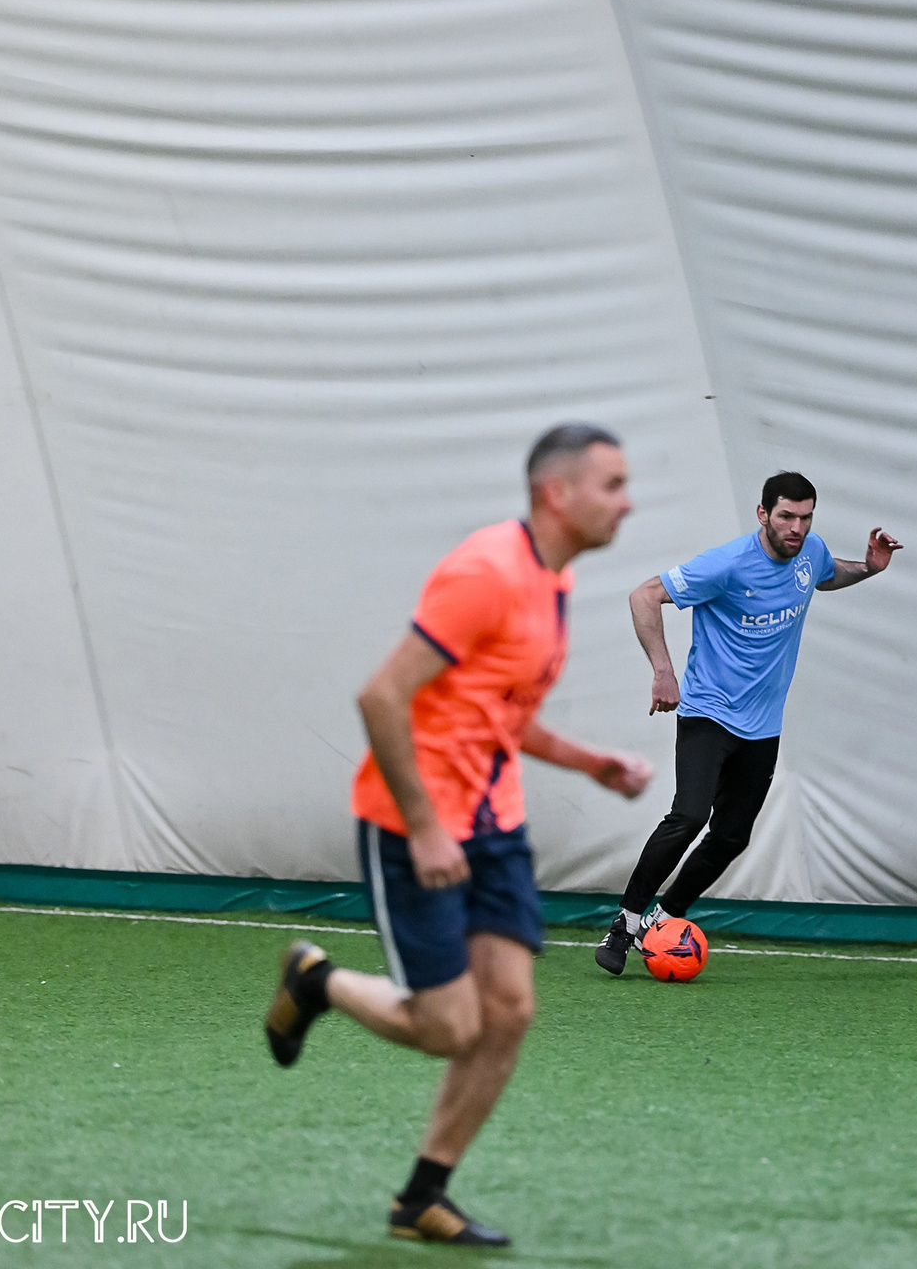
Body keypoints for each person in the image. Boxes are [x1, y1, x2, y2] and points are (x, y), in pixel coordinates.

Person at [264, 424, 652, 1246]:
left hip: (493, 825)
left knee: (508, 1013)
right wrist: (425, 828)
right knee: (448, 1028)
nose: (629, 502)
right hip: (416, 825)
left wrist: (590, 763)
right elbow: (380, 698)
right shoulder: (487, 572)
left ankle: (421, 1198)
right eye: (614, 485)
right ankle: (316, 982)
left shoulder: (553, 580)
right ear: (557, 493)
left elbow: (501, 714)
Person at [595, 471, 901, 975]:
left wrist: (868, 567)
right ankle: (625, 924)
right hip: (709, 712)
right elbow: (644, 595)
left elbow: (826, 575)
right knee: (688, 817)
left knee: (732, 837)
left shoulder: (810, 552)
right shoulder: (728, 564)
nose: (796, 528)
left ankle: (661, 921)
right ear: (763, 514)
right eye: (786, 516)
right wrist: (663, 671)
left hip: (762, 725)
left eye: (805, 518)